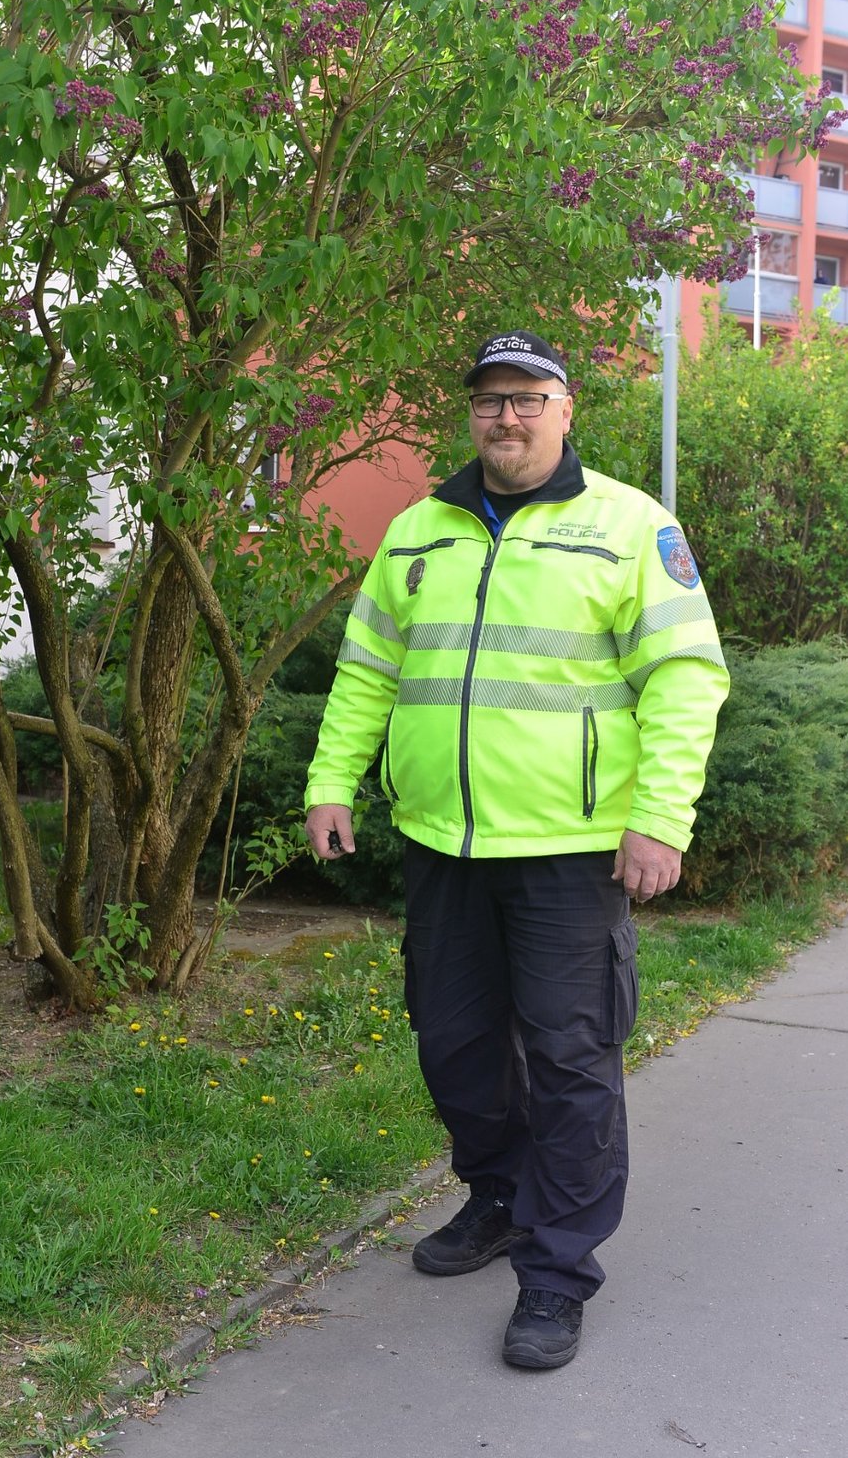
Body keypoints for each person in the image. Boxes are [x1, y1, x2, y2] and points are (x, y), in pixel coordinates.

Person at [304, 329, 729, 1370]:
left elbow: (685, 680)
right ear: (472, 414)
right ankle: (496, 1192)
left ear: (567, 406)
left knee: (571, 1058)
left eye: (528, 396)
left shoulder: (632, 526)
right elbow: (367, 674)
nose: (508, 416)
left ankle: (557, 1270)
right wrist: (328, 781)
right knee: (451, 1042)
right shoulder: (418, 530)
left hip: (571, 849)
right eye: (491, 399)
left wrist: (660, 816)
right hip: (441, 842)